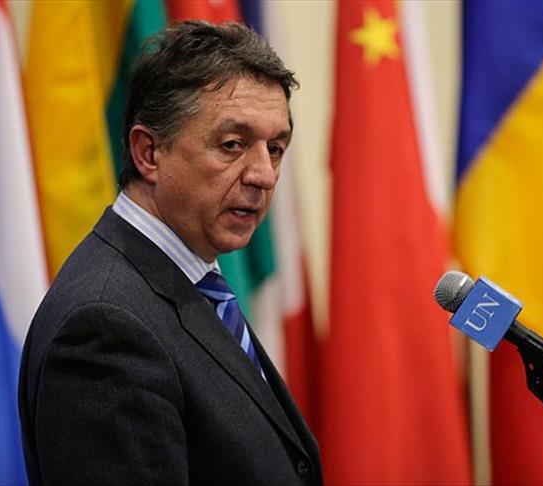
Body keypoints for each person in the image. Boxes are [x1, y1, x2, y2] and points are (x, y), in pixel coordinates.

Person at [18, 20, 322, 485]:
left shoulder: (192, 282)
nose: (263, 174)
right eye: (233, 145)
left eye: (276, 148)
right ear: (149, 153)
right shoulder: (104, 327)